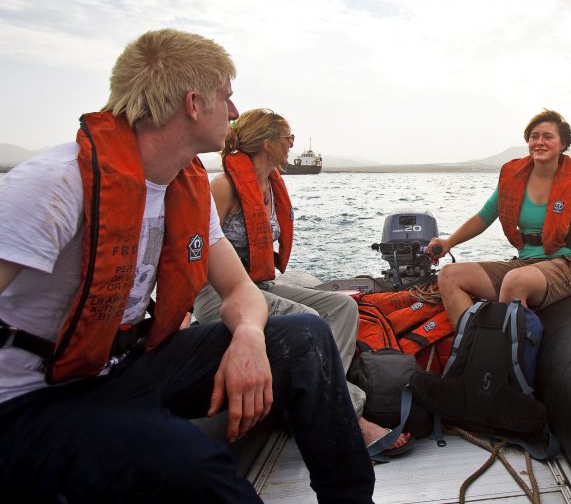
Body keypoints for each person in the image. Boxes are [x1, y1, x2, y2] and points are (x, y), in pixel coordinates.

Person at [0, 29, 374, 503]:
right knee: (194, 466)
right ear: (194, 104)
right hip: (36, 400)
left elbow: (240, 292)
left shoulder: (181, 186)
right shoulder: (54, 184)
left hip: (126, 369)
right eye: (228, 96)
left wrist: (249, 339)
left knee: (307, 334)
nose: (235, 112)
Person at [192, 107, 410, 454]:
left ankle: (318, 401)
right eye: (288, 137)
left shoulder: (268, 186)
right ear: (267, 143)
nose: (293, 143)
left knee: (342, 308)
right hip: (220, 295)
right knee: (309, 322)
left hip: (258, 287)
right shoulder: (224, 187)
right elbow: (195, 255)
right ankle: (347, 416)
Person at [428, 108, 571, 327]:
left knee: (514, 282)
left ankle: (504, 356)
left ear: (563, 144)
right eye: (534, 136)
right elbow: (484, 217)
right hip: (527, 263)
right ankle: (473, 346)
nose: (539, 142)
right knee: (449, 275)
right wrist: (449, 242)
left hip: (566, 265)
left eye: (548, 136)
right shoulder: (514, 179)